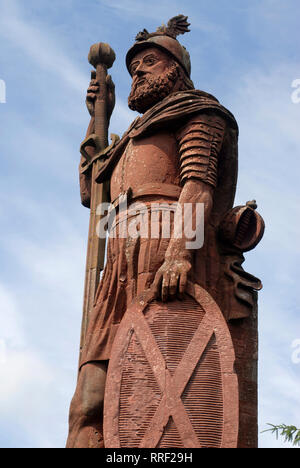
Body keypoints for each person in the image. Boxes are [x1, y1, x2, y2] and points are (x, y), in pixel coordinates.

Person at [66, 16, 258, 448]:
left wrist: (179, 253)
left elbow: (199, 184)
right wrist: (98, 119)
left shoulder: (199, 111)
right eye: (135, 68)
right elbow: (91, 194)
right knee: (87, 404)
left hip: (166, 243)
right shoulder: (126, 139)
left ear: (176, 69)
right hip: (117, 259)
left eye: (149, 62)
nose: (139, 72)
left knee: (163, 385)